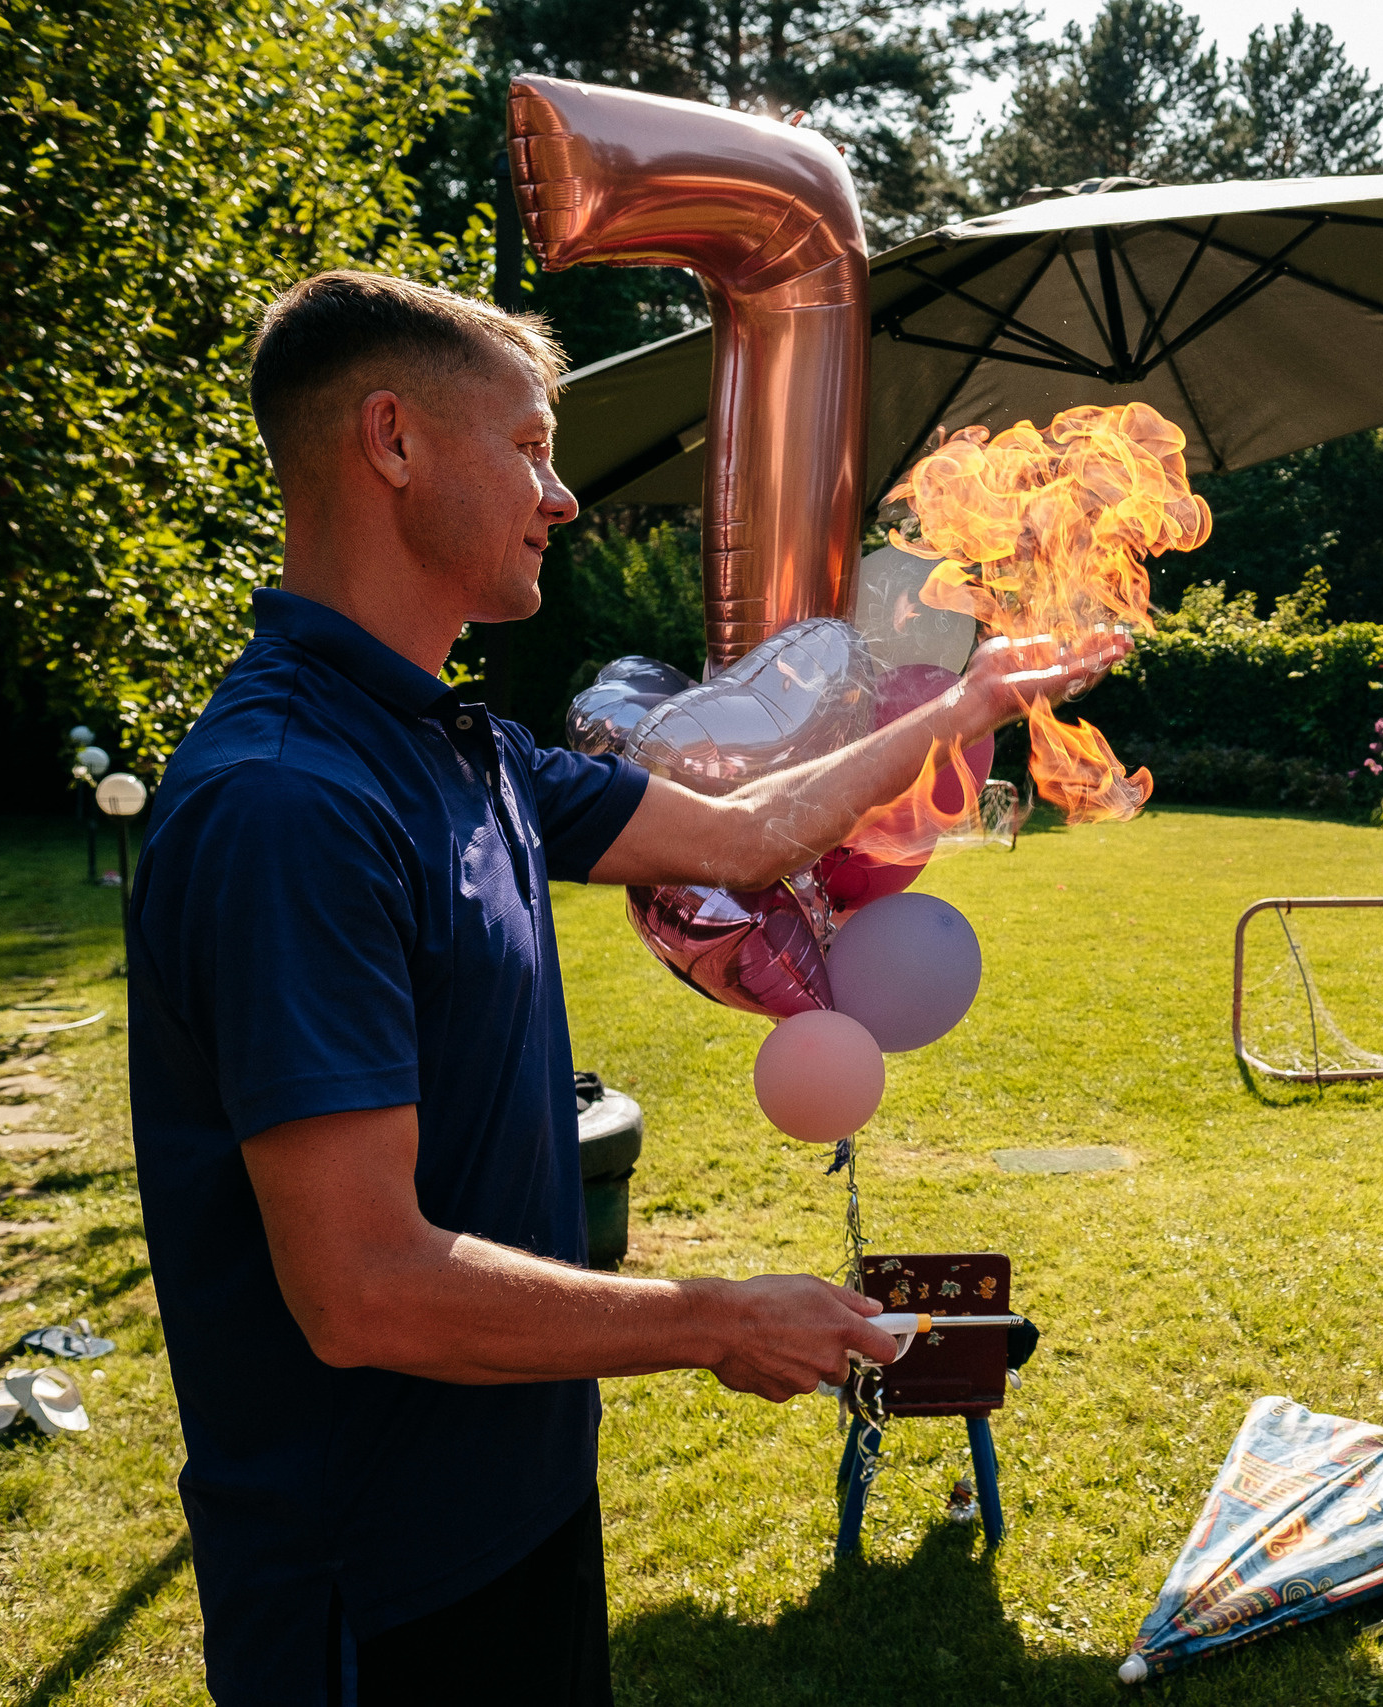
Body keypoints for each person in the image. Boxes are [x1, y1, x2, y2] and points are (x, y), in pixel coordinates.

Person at [124, 271, 1124, 1705]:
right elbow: (362, 1291)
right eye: (529, 444)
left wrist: (960, 707)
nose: (563, 494)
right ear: (393, 441)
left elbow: (750, 832)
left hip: (518, 1498)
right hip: (372, 1581)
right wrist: (717, 1316)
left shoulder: (458, 745)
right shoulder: (291, 801)